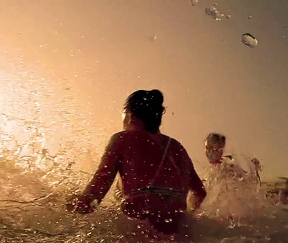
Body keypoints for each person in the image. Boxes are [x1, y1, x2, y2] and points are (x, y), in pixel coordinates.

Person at [66, 89, 207, 235]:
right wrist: (186, 215)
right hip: (179, 227)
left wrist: (63, 205)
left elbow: (95, 193)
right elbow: (200, 192)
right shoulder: (177, 147)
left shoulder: (122, 139)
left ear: (130, 114)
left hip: (140, 221)